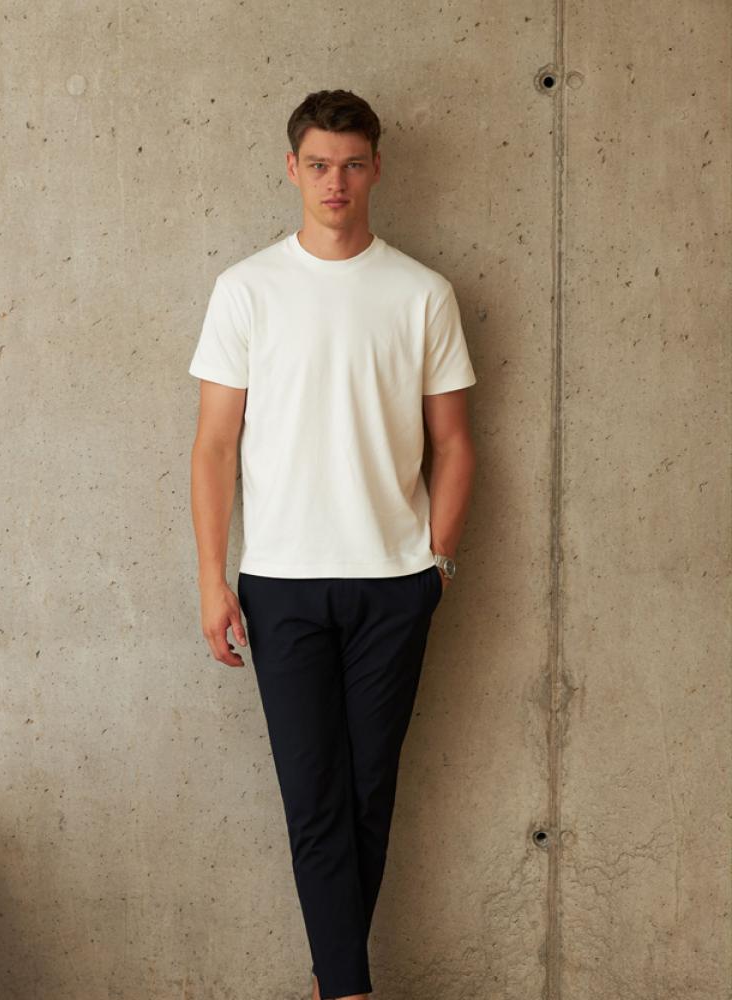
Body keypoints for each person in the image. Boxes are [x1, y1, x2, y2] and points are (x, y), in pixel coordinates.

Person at [188, 88, 477, 1000]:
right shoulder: (246, 290)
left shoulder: (422, 293)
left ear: (376, 168)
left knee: (367, 796)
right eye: (318, 165)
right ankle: (349, 991)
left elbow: (456, 444)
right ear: (292, 169)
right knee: (314, 798)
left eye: (352, 164)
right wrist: (211, 580)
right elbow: (214, 447)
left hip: (395, 582)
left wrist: (438, 564)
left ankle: (334, 984)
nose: (335, 182)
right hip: (280, 585)